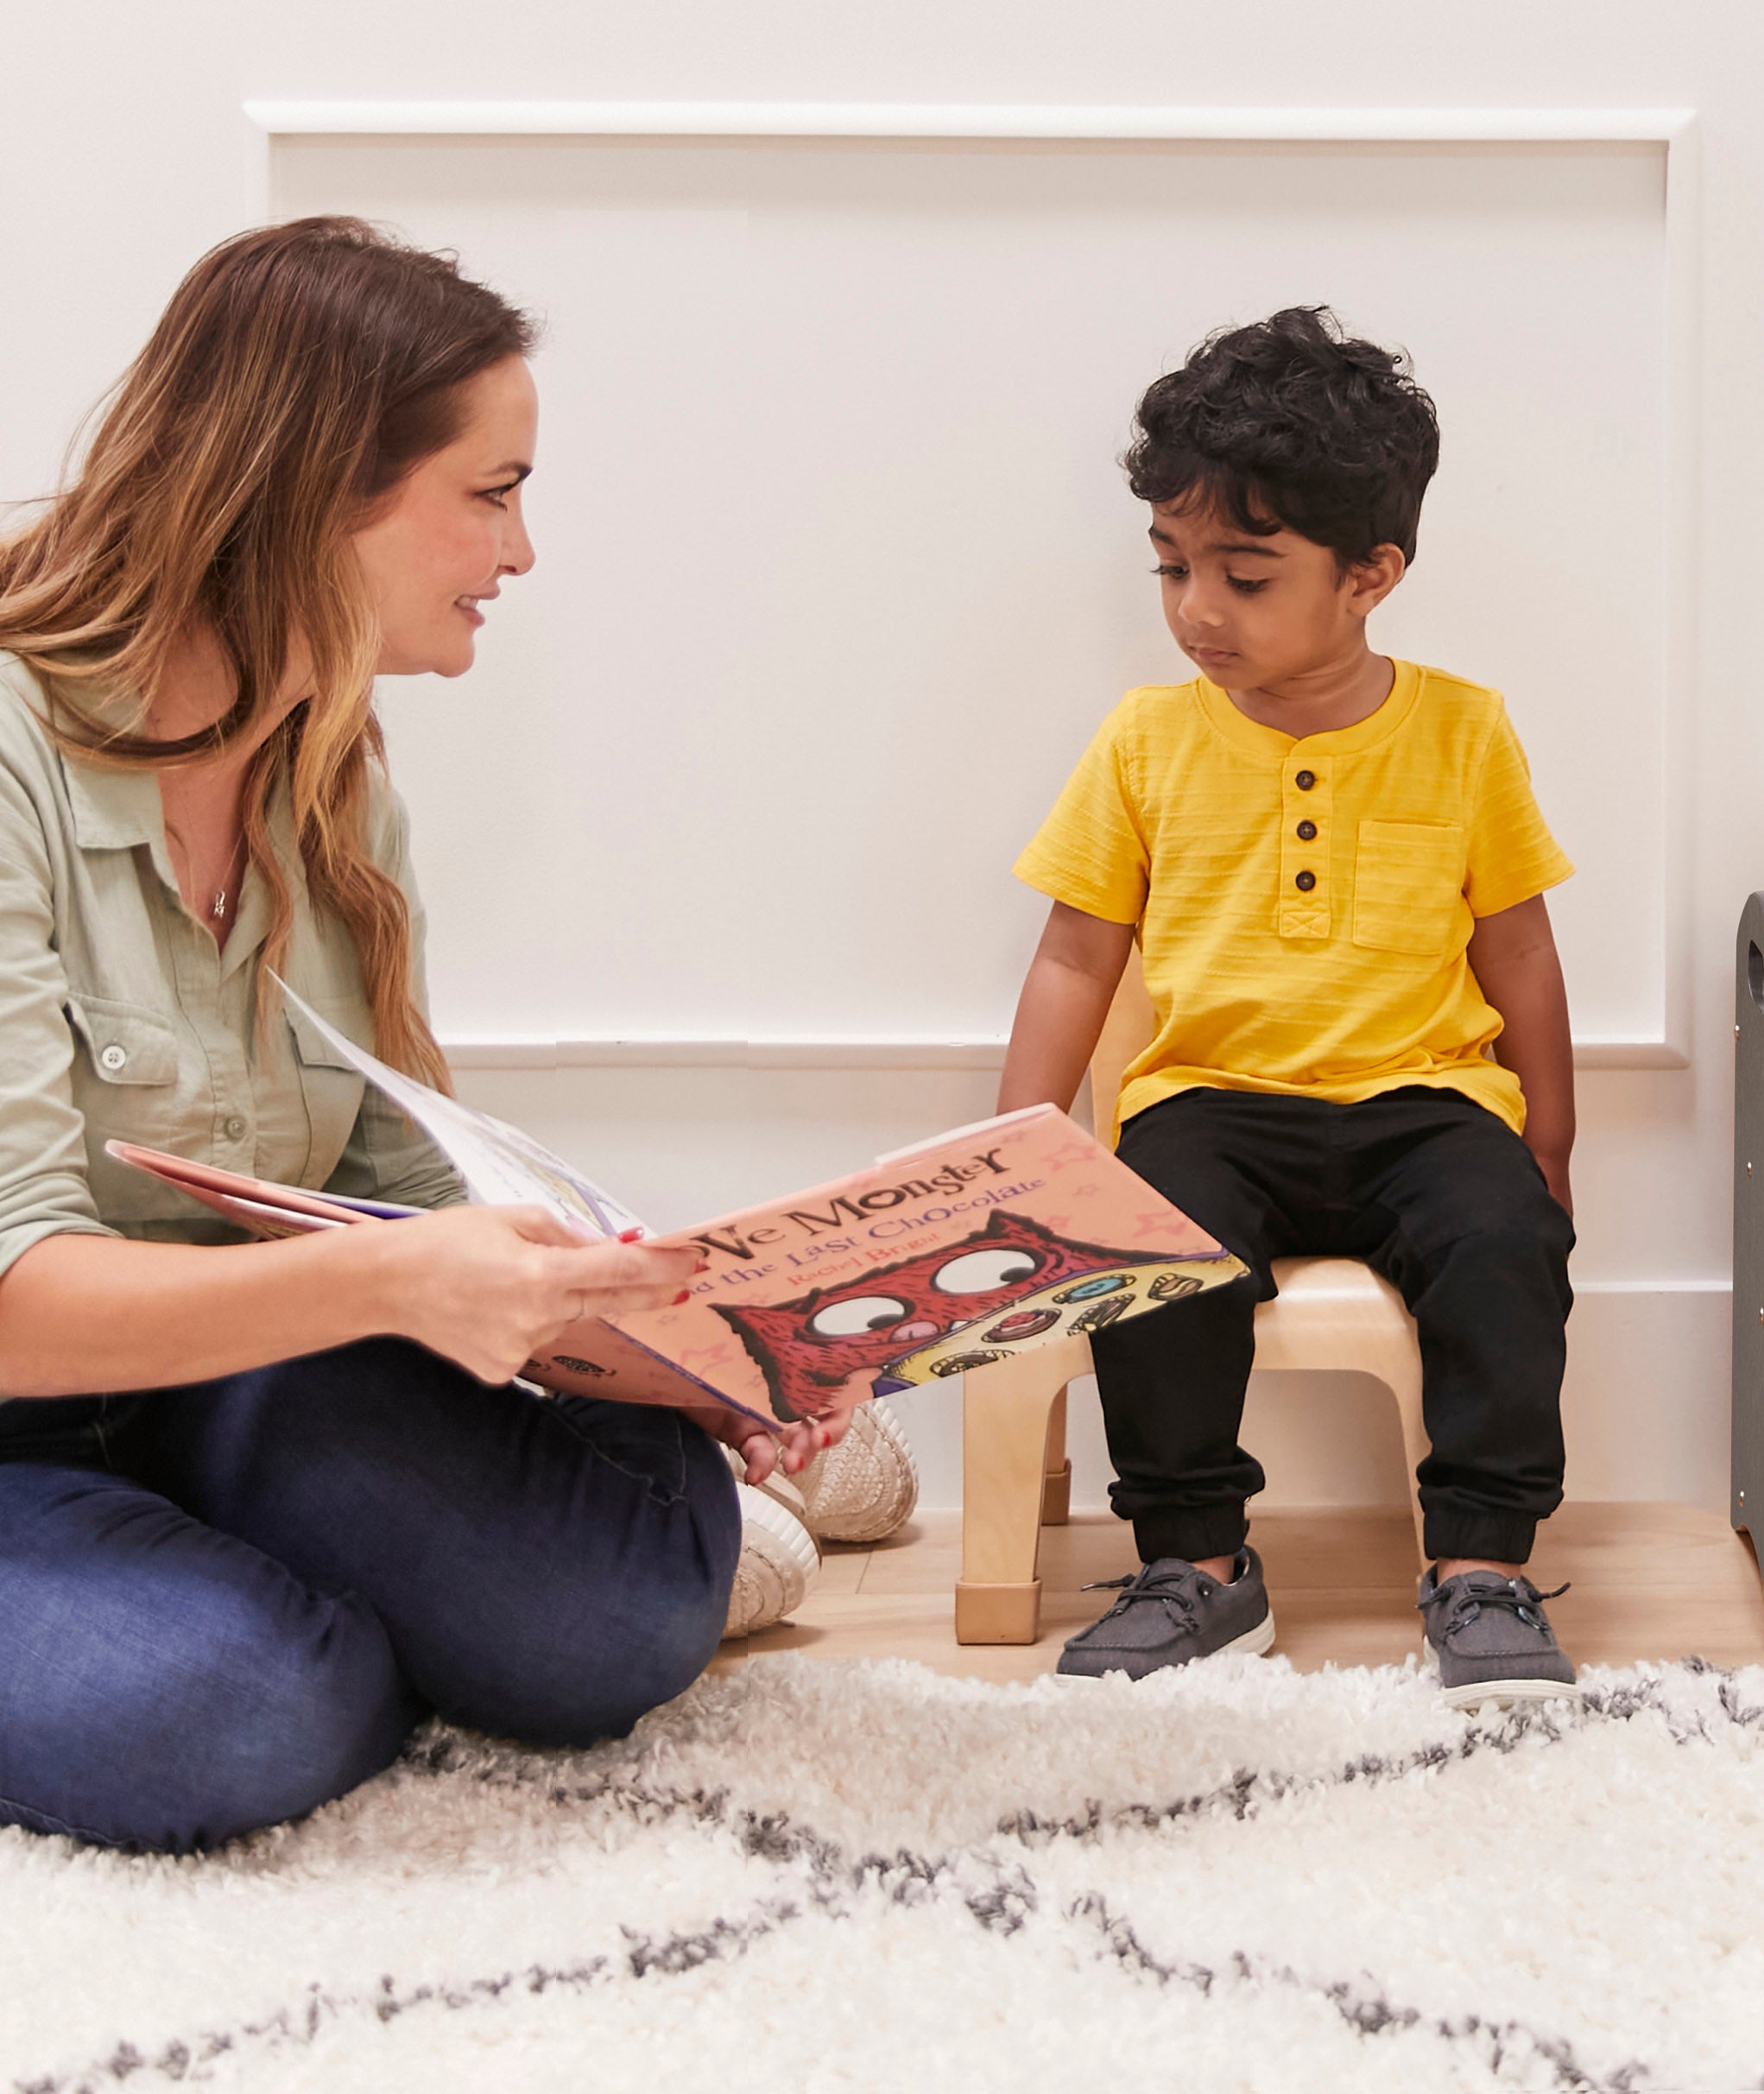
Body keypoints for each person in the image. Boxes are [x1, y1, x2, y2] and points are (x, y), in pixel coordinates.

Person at [0, 218, 819, 1853]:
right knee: (237, 1711)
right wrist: (393, 1290)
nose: (521, 553)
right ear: (318, 489)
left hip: (244, 1394)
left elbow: (401, 1188)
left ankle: (318, 1584)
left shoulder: (330, 775)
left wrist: (686, 1349)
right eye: (492, 493)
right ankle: (280, 1620)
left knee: (626, 1612)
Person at [996, 306, 1582, 1703]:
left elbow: (1519, 949)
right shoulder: (1145, 740)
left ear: (1370, 575)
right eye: (1173, 565)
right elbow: (1076, 956)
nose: (1198, 608)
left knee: (1504, 1244)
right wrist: (1014, 1149)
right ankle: (1195, 1564)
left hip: (1425, 1102)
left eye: (1244, 576)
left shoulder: (1464, 730)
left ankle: (1482, 1568)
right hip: (1212, 1104)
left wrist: (1549, 1142)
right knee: (1148, 1243)